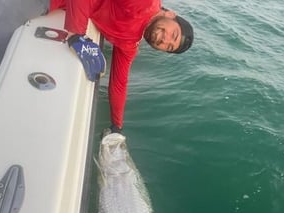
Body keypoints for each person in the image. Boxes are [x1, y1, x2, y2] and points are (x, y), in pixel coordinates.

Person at [50, 0, 194, 133]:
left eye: (168, 47)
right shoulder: (145, 3)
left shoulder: (130, 44)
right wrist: (76, 35)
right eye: (173, 34)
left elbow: (119, 83)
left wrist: (116, 127)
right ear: (170, 14)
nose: (164, 40)